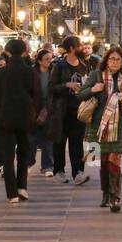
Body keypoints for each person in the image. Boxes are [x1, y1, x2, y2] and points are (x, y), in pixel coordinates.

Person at [77, 45, 122, 213]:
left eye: (118, 59)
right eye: (112, 59)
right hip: (99, 126)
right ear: (106, 60)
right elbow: (81, 94)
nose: (114, 62)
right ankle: (105, 194)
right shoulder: (96, 75)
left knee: (115, 159)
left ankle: (115, 197)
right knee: (103, 161)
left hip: (121, 125)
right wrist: (94, 89)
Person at [0, 38, 40, 203]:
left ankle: (11, 194)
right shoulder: (30, 72)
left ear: (7, 52)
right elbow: (36, 95)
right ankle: (22, 187)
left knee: (8, 156)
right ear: (25, 52)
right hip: (25, 117)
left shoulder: (0, 73)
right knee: (23, 153)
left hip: (5, 118)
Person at [50, 35, 91, 185]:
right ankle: (58, 171)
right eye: (79, 45)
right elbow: (51, 87)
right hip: (62, 110)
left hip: (79, 109)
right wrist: (66, 85)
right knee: (59, 142)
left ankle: (78, 172)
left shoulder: (84, 64)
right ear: (72, 48)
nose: (82, 48)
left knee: (77, 142)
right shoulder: (59, 66)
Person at [31, 48, 56, 176]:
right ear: (39, 60)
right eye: (46, 59)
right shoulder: (32, 72)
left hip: (49, 108)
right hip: (34, 108)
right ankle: (29, 160)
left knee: (48, 139)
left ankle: (47, 166)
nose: (49, 61)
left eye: (50, 59)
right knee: (32, 138)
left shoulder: (53, 72)